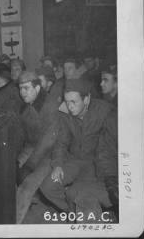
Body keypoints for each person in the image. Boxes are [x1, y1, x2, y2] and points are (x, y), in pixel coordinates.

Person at [39, 79, 113, 217]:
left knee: (79, 193)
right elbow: (61, 142)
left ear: (87, 99)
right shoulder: (64, 112)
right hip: (74, 160)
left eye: (74, 102)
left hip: (96, 163)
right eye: (67, 101)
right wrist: (58, 165)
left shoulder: (104, 110)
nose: (69, 106)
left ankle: (84, 212)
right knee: (47, 187)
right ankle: (75, 212)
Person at [15, 72, 60, 223]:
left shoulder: (50, 105)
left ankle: (14, 226)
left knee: (27, 186)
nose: (22, 93)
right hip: (30, 149)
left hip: (50, 152)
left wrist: (28, 166)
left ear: (38, 87)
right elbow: (20, 134)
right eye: (20, 88)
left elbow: (48, 141)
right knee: (8, 176)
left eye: (26, 88)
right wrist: (14, 159)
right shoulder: (26, 105)